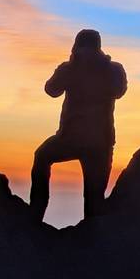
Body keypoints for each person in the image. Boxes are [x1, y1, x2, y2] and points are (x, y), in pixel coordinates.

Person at [30, 29, 127, 222]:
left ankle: (34, 217)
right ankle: (35, 217)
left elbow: (51, 89)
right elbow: (52, 90)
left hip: (76, 139)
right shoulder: (113, 69)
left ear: (77, 47)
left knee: (42, 157)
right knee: (94, 201)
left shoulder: (75, 69)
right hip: (97, 142)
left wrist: (70, 68)